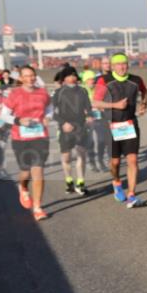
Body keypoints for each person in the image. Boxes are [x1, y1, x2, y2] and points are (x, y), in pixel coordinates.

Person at [92, 53, 147, 208]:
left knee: (132, 160)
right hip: (110, 125)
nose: (122, 67)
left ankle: (131, 195)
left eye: (124, 64)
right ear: (112, 66)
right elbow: (95, 102)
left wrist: (144, 104)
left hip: (130, 125)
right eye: (118, 64)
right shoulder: (104, 80)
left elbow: (145, 92)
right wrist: (114, 105)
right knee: (115, 162)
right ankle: (116, 182)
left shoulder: (136, 80)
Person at [0, 66, 53, 221]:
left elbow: (50, 108)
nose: (30, 78)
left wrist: (48, 117)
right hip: (20, 138)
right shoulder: (14, 94)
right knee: (25, 172)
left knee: (38, 171)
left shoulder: (42, 92)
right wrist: (18, 120)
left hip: (40, 136)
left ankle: (37, 208)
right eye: (26, 76)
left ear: (35, 76)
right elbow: (4, 115)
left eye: (32, 75)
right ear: (21, 78)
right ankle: (23, 186)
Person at [51, 66, 93, 196]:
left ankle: (81, 182)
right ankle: (69, 181)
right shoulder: (58, 93)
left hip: (81, 127)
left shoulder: (82, 91)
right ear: (64, 78)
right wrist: (63, 123)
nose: (72, 77)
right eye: (69, 75)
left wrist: (89, 116)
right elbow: (51, 113)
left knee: (81, 154)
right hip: (65, 129)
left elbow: (88, 108)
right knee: (66, 157)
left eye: (74, 75)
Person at [81, 70, 110, 172]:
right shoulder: (80, 90)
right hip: (86, 120)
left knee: (102, 140)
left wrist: (102, 107)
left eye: (93, 79)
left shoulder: (100, 89)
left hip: (99, 117)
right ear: (85, 81)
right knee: (90, 142)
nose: (92, 81)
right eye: (89, 79)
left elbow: (105, 101)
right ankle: (92, 162)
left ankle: (100, 161)